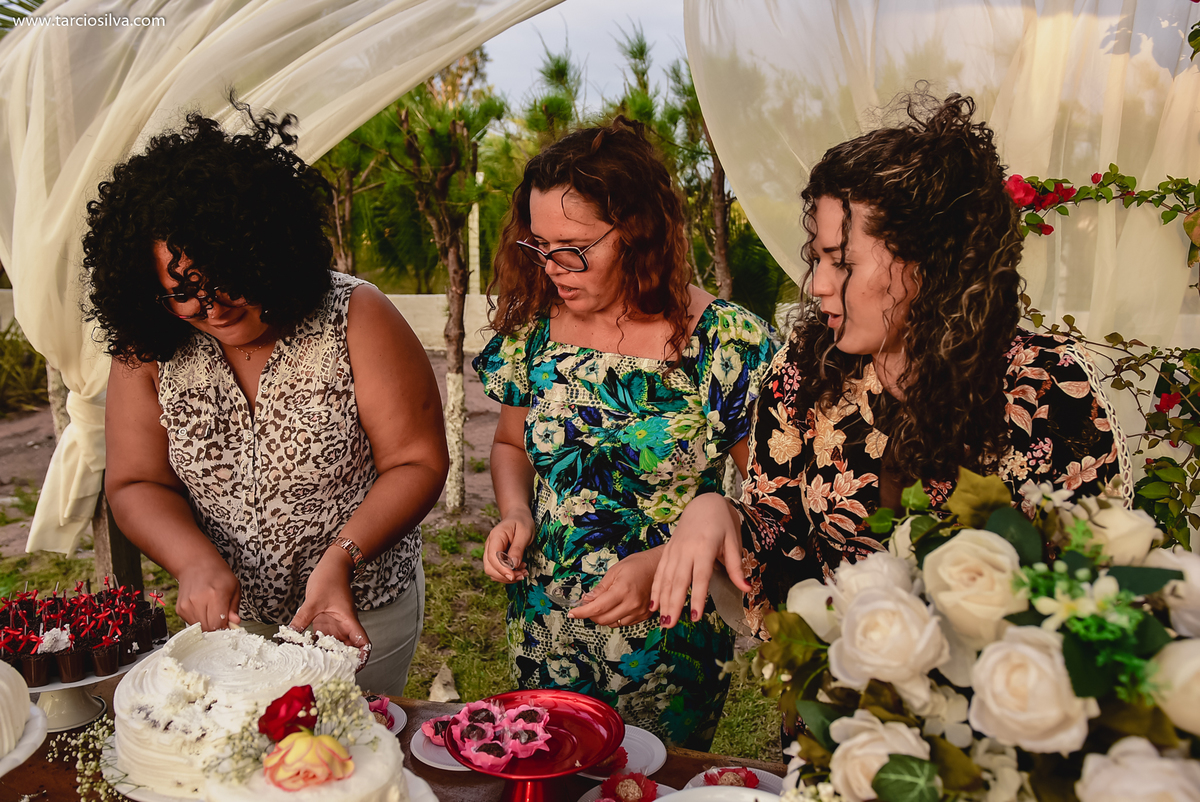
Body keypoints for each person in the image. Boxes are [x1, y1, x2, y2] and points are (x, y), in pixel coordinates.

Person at [650, 92, 1131, 639]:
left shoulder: (1046, 386)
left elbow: (1096, 591)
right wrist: (718, 513)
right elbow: (779, 532)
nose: (819, 285)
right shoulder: (802, 375)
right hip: (847, 682)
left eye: (842, 262)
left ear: (931, 262)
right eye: (817, 259)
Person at [86, 105, 449, 696]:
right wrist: (193, 561)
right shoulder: (148, 344)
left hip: (354, 609)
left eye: (227, 277)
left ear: (267, 250)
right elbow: (135, 482)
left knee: (349, 748)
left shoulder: (357, 316)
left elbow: (417, 461)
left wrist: (341, 557)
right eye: (183, 292)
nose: (212, 307)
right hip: (229, 626)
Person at [473, 117, 777, 749]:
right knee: (551, 767)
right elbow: (509, 444)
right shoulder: (535, 331)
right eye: (539, 245)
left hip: (670, 633)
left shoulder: (725, 343)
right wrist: (514, 512)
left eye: (573, 247)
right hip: (545, 619)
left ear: (636, 231)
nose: (553, 267)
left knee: (647, 781)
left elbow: (772, 503)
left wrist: (663, 563)